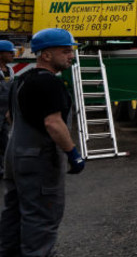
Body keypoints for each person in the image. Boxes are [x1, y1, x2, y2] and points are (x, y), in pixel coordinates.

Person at [0, 29, 85, 257]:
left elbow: (10, 117)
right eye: (65, 51)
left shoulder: (21, 81)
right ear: (45, 55)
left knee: (14, 215)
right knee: (41, 218)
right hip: (38, 162)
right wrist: (73, 154)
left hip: (15, 159)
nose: (71, 56)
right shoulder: (50, 84)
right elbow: (53, 123)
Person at [0, 40, 16, 173]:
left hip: (6, 112)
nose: (13, 54)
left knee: (5, 140)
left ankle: (5, 167)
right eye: (10, 52)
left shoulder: (9, 70)